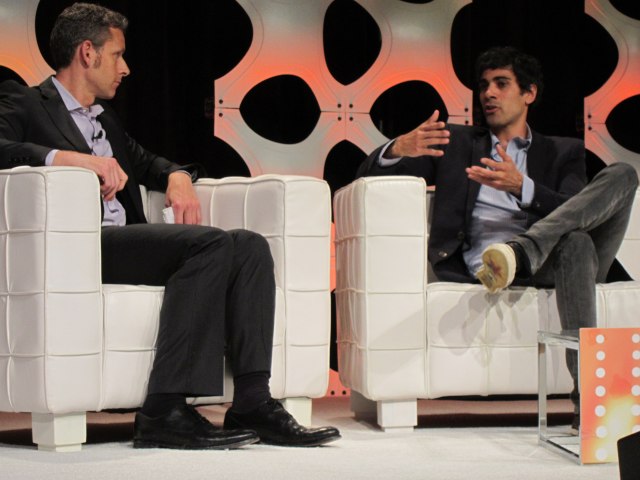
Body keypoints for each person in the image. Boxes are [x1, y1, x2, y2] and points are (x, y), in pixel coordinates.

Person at [0, 2, 340, 450]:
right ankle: (164, 409)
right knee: (209, 245)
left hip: (124, 243)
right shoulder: (24, 101)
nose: (126, 67)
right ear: (87, 53)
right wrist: (70, 159)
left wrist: (177, 175)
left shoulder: (106, 122)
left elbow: (147, 162)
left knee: (250, 246)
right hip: (78, 247)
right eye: (118, 55)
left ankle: (254, 401)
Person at [357, 46, 638, 431]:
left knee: (623, 175)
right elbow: (364, 176)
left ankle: (524, 250)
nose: (488, 93)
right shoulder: (457, 143)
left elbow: (578, 211)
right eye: (484, 85)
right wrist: (395, 150)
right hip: (489, 267)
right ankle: (589, 402)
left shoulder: (563, 151)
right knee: (576, 244)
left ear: (529, 93)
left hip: (551, 260)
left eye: (501, 84)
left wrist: (524, 188)